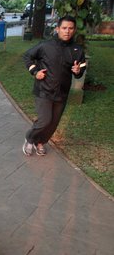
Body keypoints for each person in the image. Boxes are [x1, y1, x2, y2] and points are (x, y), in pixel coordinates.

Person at [22, 15, 86, 156]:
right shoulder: (45, 46)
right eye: (64, 28)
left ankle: (40, 142)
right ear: (57, 29)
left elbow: (80, 70)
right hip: (44, 90)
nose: (67, 31)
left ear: (74, 30)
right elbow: (27, 56)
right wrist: (35, 71)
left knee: (53, 123)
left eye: (70, 28)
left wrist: (78, 71)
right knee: (45, 120)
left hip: (62, 92)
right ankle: (30, 139)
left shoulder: (77, 50)